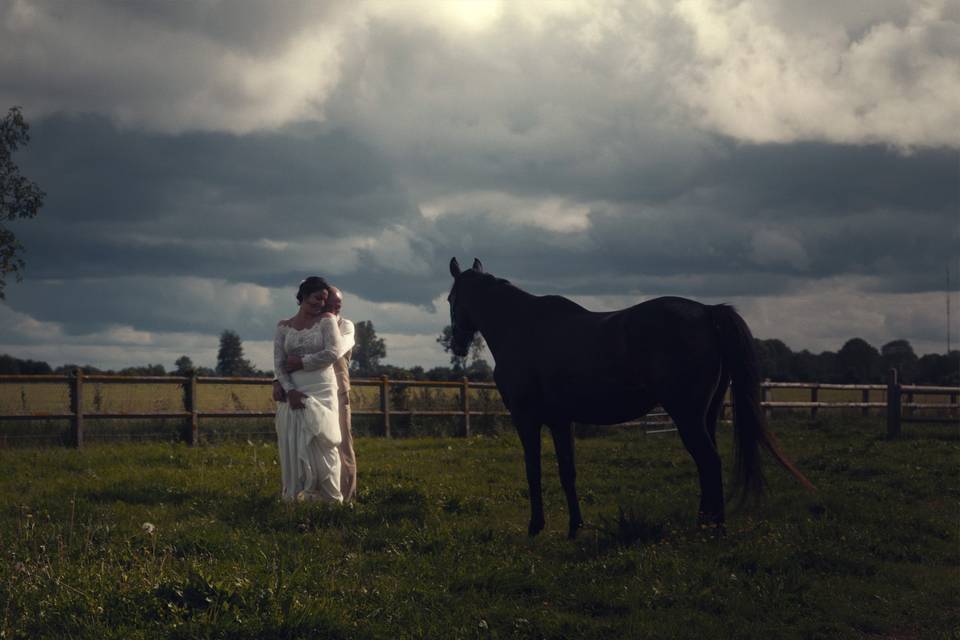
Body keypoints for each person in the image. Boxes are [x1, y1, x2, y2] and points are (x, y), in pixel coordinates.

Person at [272, 276, 345, 503]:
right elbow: (278, 362)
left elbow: (334, 352)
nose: (320, 303)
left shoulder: (327, 320)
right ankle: (297, 496)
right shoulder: (284, 326)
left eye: (324, 300)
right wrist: (289, 389)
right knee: (295, 441)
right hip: (294, 390)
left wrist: (303, 362)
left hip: (321, 387)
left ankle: (331, 499)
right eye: (317, 298)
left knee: (324, 442)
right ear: (303, 296)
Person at [285, 286, 357, 502]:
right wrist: (277, 380)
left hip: (337, 392)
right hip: (307, 391)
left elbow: (336, 349)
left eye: (338, 306)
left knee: (341, 445)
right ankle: (308, 493)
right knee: (305, 444)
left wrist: (301, 361)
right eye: (330, 305)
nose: (334, 309)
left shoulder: (346, 326)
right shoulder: (309, 325)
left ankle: (347, 497)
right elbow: (288, 353)